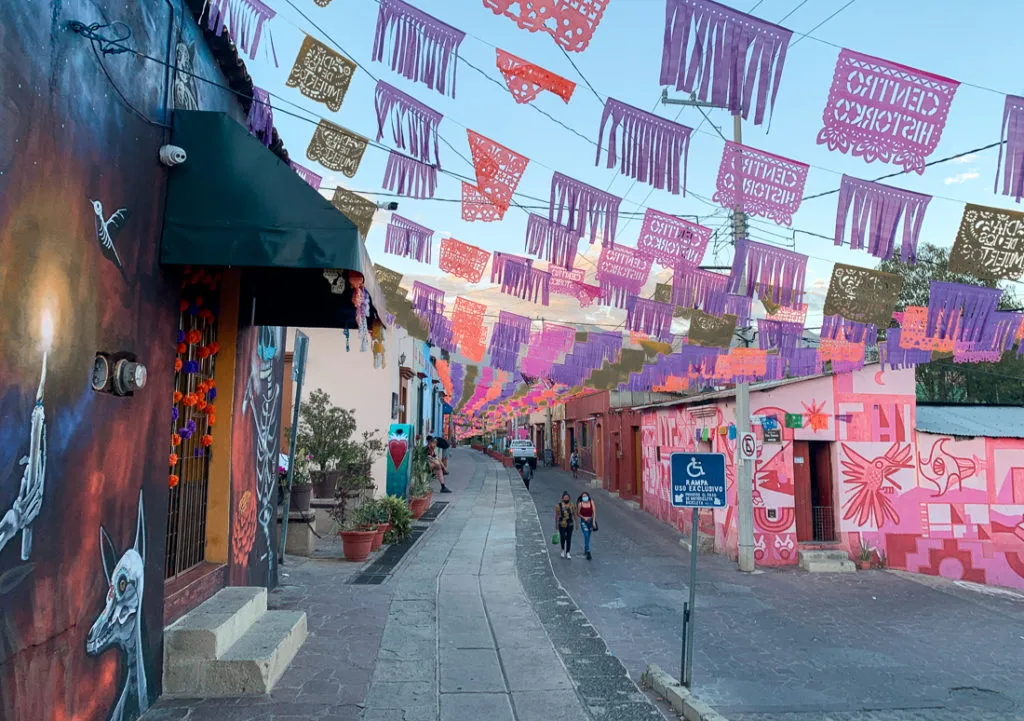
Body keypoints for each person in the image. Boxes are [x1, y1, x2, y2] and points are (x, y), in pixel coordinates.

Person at [554, 491, 576, 559]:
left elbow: (574, 514)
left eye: (567, 497)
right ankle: (563, 550)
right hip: (562, 523)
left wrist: (576, 523)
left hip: (570, 523)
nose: (566, 498)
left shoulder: (572, 505)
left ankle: (568, 552)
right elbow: (557, 515)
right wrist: (556, 524)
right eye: (565, 497)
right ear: (562, 498)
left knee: (569, 538)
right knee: (563, 537)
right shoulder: (559, 505)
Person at [576, 492, 597, 560]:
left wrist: (593, 522)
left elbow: (594, 512)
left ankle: (586, 546)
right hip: (584, 522)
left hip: (590, 522)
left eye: (586, 496)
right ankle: (588, 551)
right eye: (583, 496)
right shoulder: (580, 504)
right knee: (586, 535)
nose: (585, 497)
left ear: (588, 496)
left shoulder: (591, 502)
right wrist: (584, 518)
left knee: (589, 535)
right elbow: (578, 513)